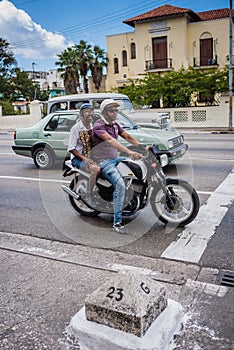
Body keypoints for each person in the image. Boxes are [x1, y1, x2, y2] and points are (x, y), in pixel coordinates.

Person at [92, 99, 144, 234]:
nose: (115, 113)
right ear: (104, 112)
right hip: (103, 162)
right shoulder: (98, 126)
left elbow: (127, 136)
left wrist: (142, 147)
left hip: (115, 158)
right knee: (120, 185)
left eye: (116, 110)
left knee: (138, 167)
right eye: (111, 110)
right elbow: (110, 140)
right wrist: (129, 151)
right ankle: (117, 223)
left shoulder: (115, 125)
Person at [67, 103, 100, 194]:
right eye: (87, 112)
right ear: (81, 114)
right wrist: (84, 159)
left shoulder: (92, 126)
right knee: (95, 169)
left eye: (92, 111)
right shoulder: (76, 128)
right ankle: (89, 194)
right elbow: (71, 148)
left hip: (91, 156)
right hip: (78, 159)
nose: (90, 114)